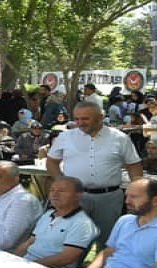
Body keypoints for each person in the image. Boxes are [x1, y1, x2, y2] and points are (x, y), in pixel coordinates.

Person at [45, 101, 142, 245]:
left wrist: (137, 191)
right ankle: (66, 266)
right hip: (75, 197)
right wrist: (62, 183)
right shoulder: (65, 137)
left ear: (100, 117)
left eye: (85, 119)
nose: (80, 123)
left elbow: (133, 164)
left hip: (109, 198)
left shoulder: (120, 138)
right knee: (69, 238)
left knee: (107, 240)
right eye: (77, 119)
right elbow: (52, 161)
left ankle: (101, 266)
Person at [13, 176, 98, 268]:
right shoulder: (48, 215)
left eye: (62, 191)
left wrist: (30, 267)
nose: (55, 194)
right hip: (27, 264)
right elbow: (29, 242)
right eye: (52, 190)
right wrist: (14, 260)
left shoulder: (82, 223)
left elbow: (66, 258)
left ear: (78, 196)